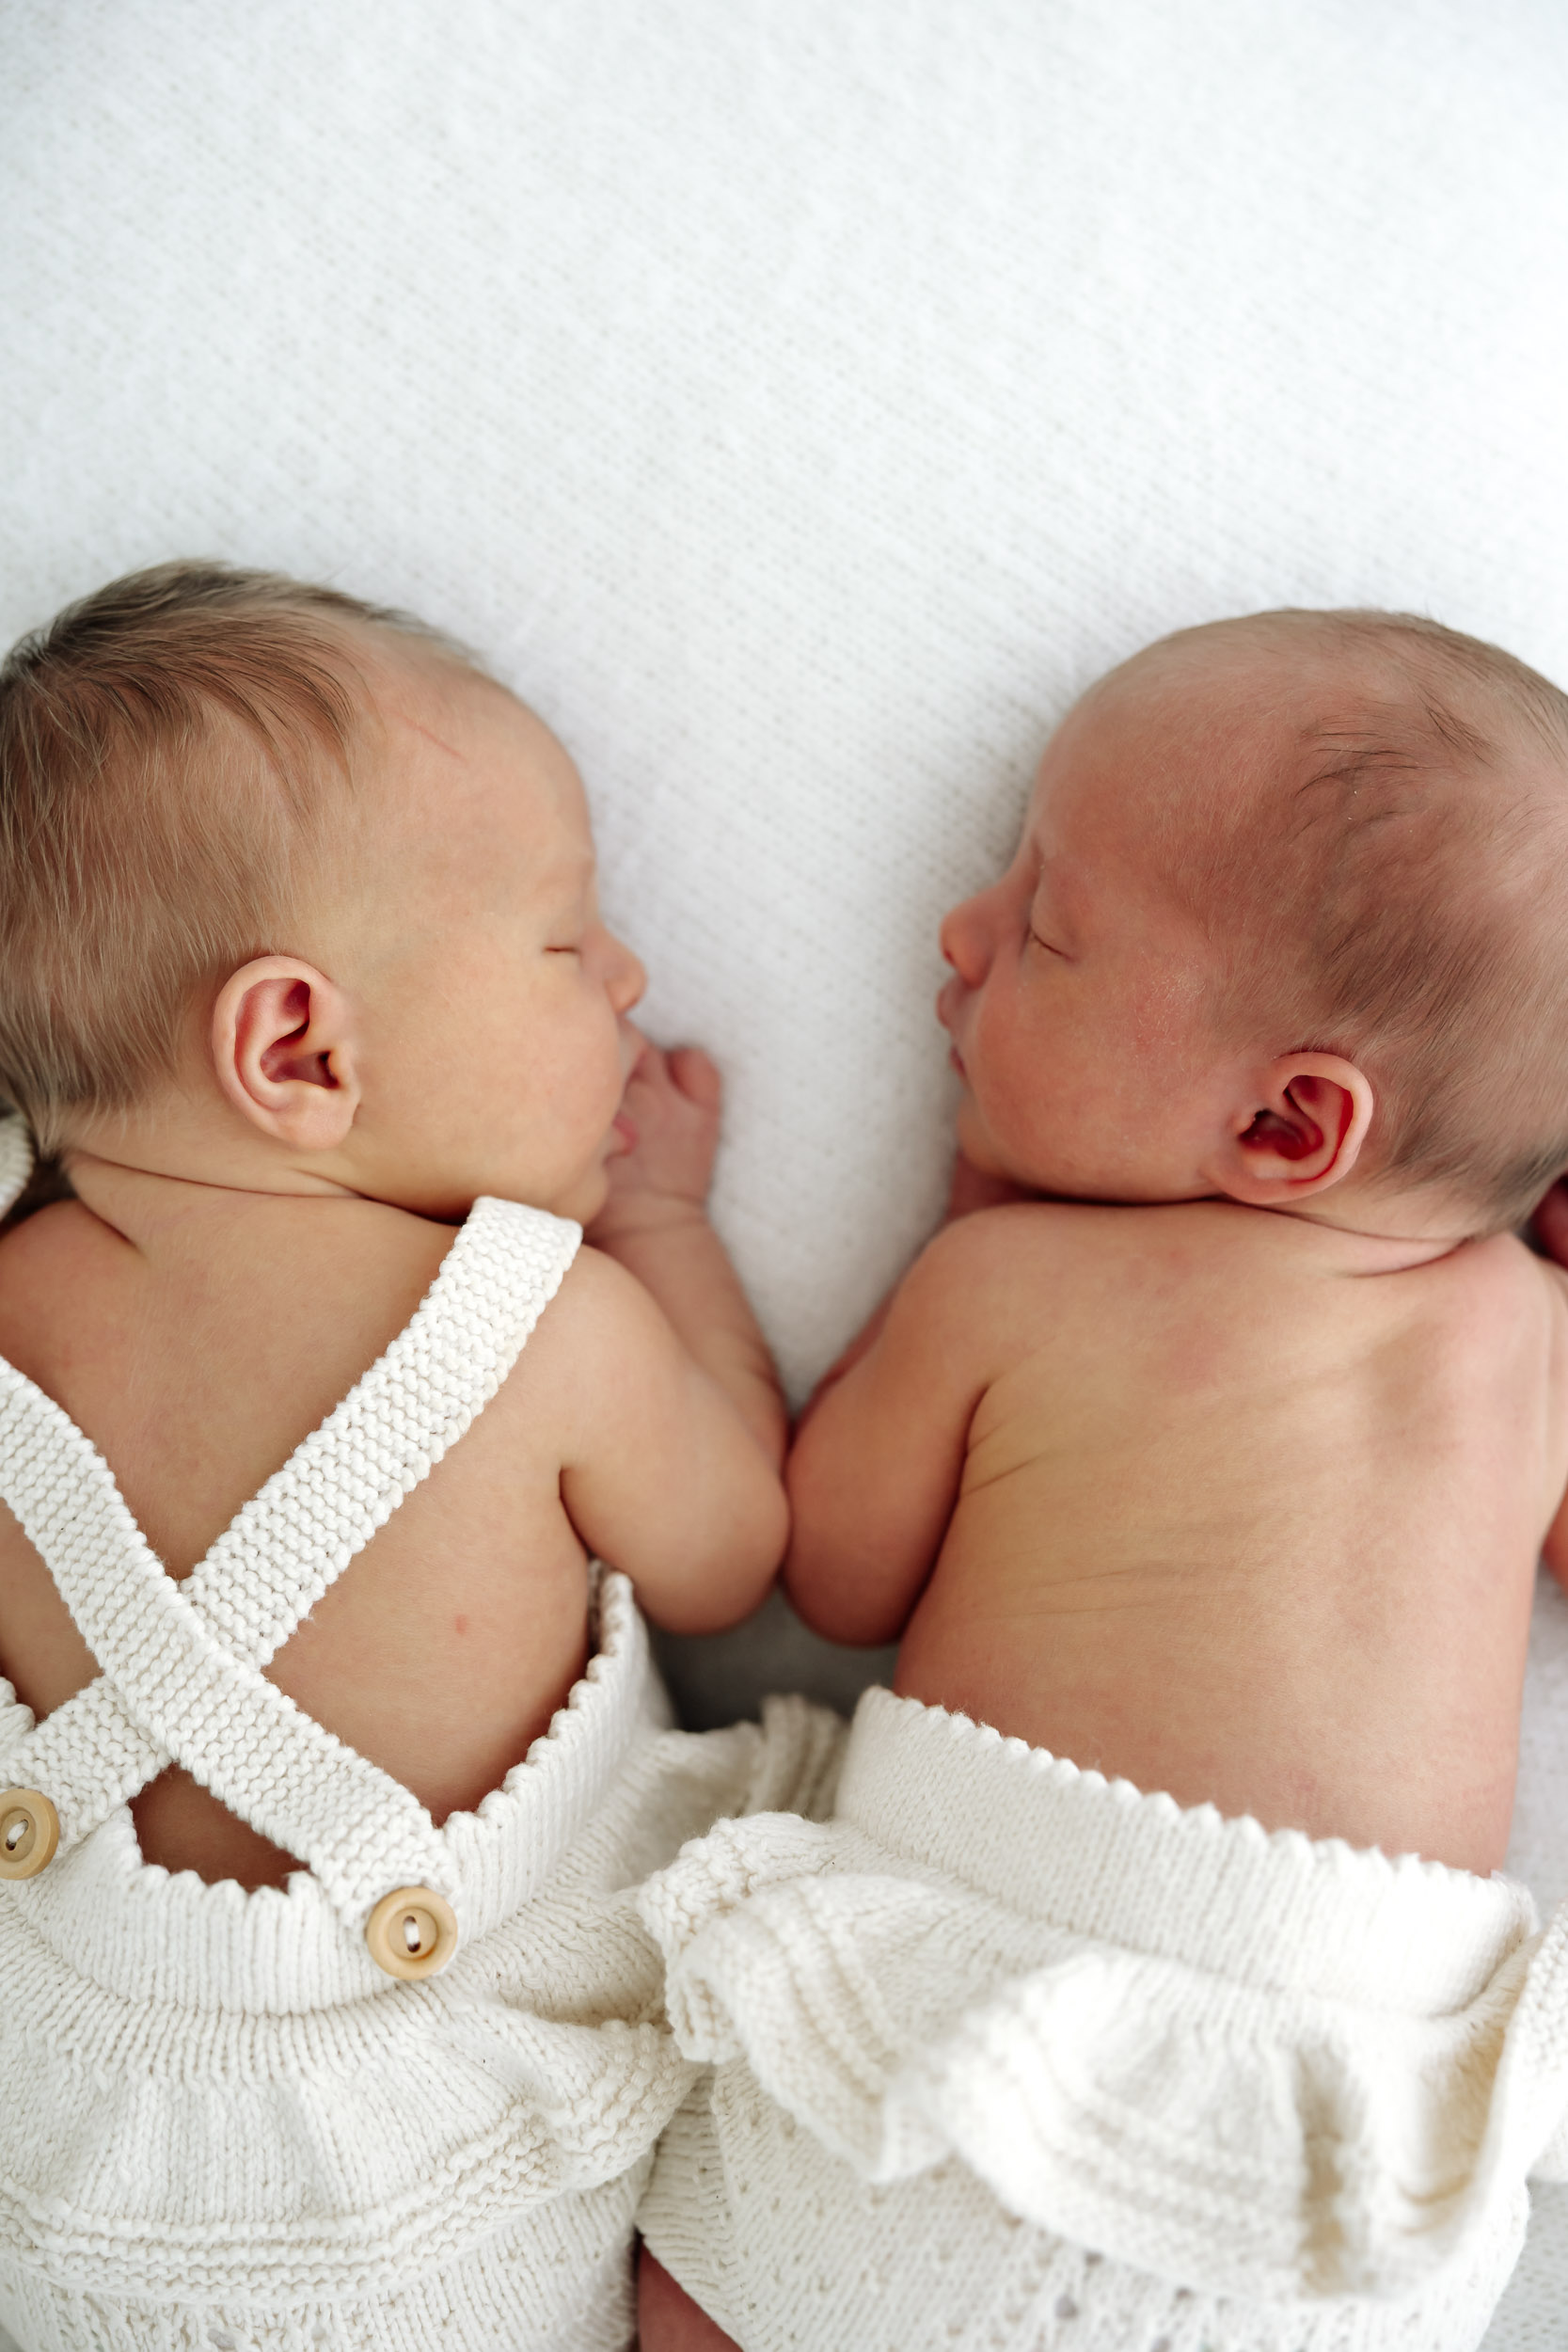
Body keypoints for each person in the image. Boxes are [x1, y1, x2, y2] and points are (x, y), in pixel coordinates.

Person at [637, 609, 1568, 2352]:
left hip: (966, 2012)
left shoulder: (1017, 1288)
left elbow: (829, 1571)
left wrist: (927, 1217)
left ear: (1288, 1127)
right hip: (1323, 2158)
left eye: (1044, 929)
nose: (960, 931)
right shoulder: (1533, 1341)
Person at [0, 561, 815, 2352]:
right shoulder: (548, 1326)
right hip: (453, 2169)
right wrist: (666, 1228)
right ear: (299, 1047)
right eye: (562, 938)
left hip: (52, 2153)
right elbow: (739, 1550)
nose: (629, 972)